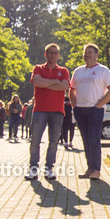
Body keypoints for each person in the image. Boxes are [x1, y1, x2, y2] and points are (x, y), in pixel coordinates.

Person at [70, 43, 110, 180]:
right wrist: (74, 106)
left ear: (96, 55)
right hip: (80, 110)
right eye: (85, 52)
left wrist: (99, 105)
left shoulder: (103, 70)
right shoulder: (78, 71)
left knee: (94, 139)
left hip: (95, 110)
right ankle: (89, 169)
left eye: (90, 52)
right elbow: (72, 89)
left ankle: (96, 170)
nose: (87, 55)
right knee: (85, 140)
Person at [26, 44, 69, 181]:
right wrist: (55, 81)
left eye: (55, 53)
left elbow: (64, 85)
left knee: (53, 142)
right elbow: (37, 82)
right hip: (40, 110)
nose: (53, 55)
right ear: (45, 54)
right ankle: (33, 168)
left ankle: (49, 168)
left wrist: (46, 83)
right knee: (35, 141)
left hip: (57, 111)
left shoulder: (63, 71)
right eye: (50, 52)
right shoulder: (38, 68)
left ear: (58, 55)